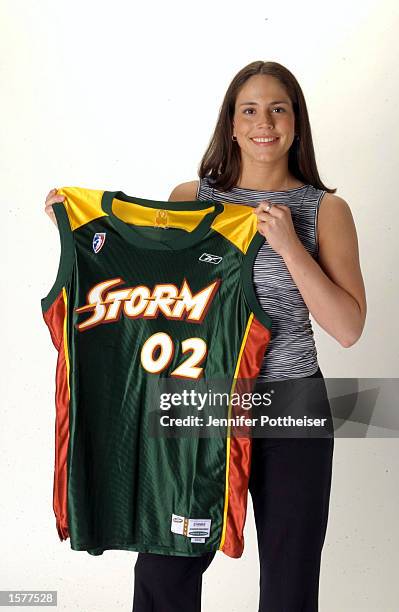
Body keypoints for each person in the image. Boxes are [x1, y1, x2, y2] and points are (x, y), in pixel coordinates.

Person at [44, 60, 366, 611]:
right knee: (166, 565)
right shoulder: (191, 196)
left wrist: (288, 245)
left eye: (277, 108)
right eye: (249, 110)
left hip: (291, 404)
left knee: (290, 579)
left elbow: (348, 328)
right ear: (232, 123)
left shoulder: (324, 209)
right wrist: (82, 236)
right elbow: (152, 289)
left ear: (296, 122)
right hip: (202, 401)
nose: (264, 122)